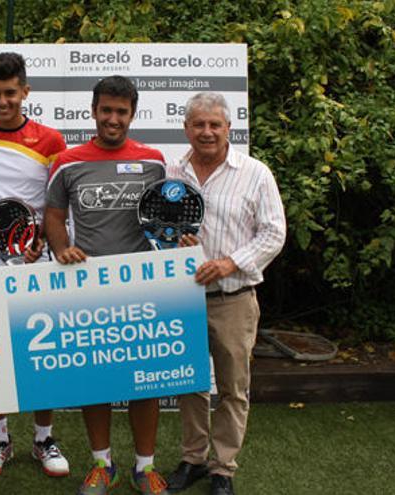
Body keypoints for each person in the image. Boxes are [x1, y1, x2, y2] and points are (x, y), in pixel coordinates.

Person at [45, 75, 169, 495]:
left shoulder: (154, 161)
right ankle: (103, 465)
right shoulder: (67, 161)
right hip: (88, 288)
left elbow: (168, 219)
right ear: (94, 110)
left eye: (121, 112)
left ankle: (145, 467)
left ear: (132, 115)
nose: (112, 119)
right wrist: (62, 249)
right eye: (106, 110)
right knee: (95, 381)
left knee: (144, 382)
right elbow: (53, 215)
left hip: (141, 288)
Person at [164, 92, 286, 495]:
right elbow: (158, 230)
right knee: (191, 383)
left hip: (234, 298)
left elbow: (274, 233)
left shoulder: (255, 173)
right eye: (198, 124)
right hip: (185, 298)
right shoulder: (172, 174)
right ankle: (193, 459)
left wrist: (230, 262)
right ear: (186, 129)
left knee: (233, 388)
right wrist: (170, 245)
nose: (207, 132)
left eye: (215, 124)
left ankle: (223, 468)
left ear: (228, 129)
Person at [0, 52, 70, 479]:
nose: (2, 101)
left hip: (34, 264)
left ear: (25, 92)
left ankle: (44, 439)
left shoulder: (52, 141)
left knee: (40, 356)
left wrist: (39, 240)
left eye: (10, 93)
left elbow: (56, 207)